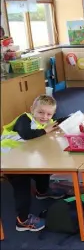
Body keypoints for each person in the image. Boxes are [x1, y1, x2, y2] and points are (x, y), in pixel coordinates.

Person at [1, 95, 65, 231]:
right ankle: (22, 220)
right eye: (40, 112)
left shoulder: (46, 121)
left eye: (49, 114)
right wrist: (45, 130)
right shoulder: (24, 119)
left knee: (44, 163)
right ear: (32, 110)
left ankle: (42, 191)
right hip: (9, 161)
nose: (44, 117)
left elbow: (51, 127)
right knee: (22, 186)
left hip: (25, 157)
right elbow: (26, 134)